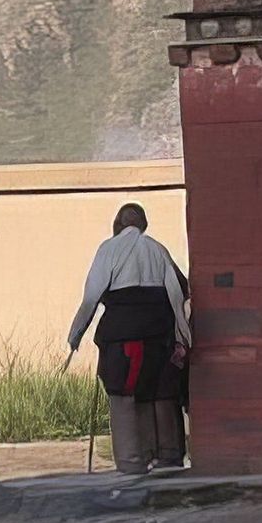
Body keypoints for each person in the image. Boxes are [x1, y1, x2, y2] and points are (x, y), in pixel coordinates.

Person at [67, 203, 190, 474]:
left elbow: (91, 296)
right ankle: (168, 457)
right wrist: (182, 335)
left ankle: (132, 462)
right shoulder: (158, 249)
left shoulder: (108, 249)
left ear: (117, 224)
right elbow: (177, 294)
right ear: (143, 224)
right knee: (159, 393)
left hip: (123, 337)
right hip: (159, 335)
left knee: (123, 396)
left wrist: (75, 334)